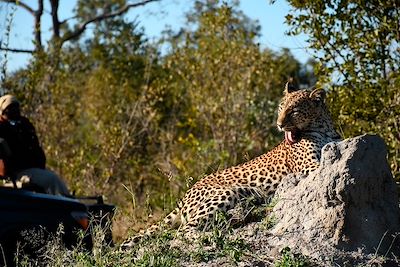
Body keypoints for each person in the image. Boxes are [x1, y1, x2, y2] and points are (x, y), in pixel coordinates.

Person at [0, 94, 70, 196]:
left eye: (16, 107)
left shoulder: (25, 126)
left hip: (33, 170)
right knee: (52, 180)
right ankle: (67, 206)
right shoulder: (2, 129)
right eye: (9, 108)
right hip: (18, 173)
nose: (14, 110)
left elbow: (36, 150)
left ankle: (66, 202)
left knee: (51, 178)